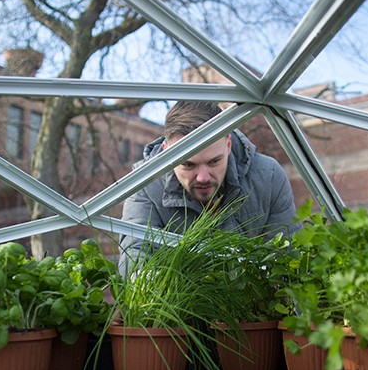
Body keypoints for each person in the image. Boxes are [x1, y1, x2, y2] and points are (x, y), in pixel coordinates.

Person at [119, 101, 301, 273]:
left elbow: (287, 258)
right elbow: (135, 254)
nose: (203, 177)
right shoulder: (145, 185)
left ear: (228, 144)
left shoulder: (268, 176)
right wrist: (145, 281)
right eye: (188, 164)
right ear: (167, 152)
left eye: (214, 161)